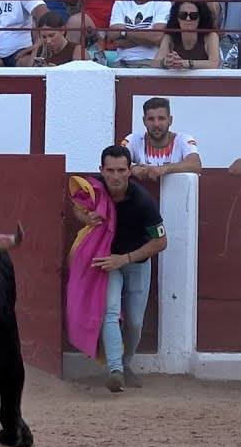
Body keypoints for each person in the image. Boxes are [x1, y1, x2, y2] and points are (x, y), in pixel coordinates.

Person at [71, 145, 168, 394]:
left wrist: (125, 259)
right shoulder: (96, 190)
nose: (115, 176)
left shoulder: (143, 202)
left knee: (135, 322)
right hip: (106, 262)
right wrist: (85, 219)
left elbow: (161, 242)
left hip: (135, 263)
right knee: (110, 311)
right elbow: (77, 206)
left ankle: (125, 365)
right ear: (101, 170)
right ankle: (115, 371)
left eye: (121, 170)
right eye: (110, 170)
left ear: (130, 171)